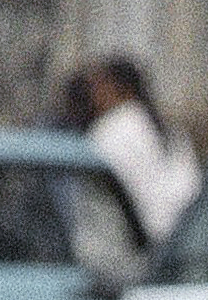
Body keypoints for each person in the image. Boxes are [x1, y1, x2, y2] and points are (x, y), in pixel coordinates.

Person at [64, 55, 201, 240]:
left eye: (100, 87)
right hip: (182, 236)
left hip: (136, 242)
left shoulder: (111, 129)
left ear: (119, 87)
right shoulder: (168, 129)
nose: (94, 95)